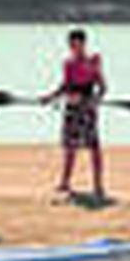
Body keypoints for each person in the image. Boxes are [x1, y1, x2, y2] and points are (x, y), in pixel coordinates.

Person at [42, 28, 105, 201]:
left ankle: (98, 184)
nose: (73, 47)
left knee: (94, 147)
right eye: (71, 45)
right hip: (72, 106)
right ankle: (65, 182)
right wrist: (50, 97)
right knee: (70, 146)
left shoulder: (94, 60)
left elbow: (102, 85)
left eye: (76, 44)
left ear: (83, 43)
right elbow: (65, 86)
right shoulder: (68, 63)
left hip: (87, 107)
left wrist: (96, 99)